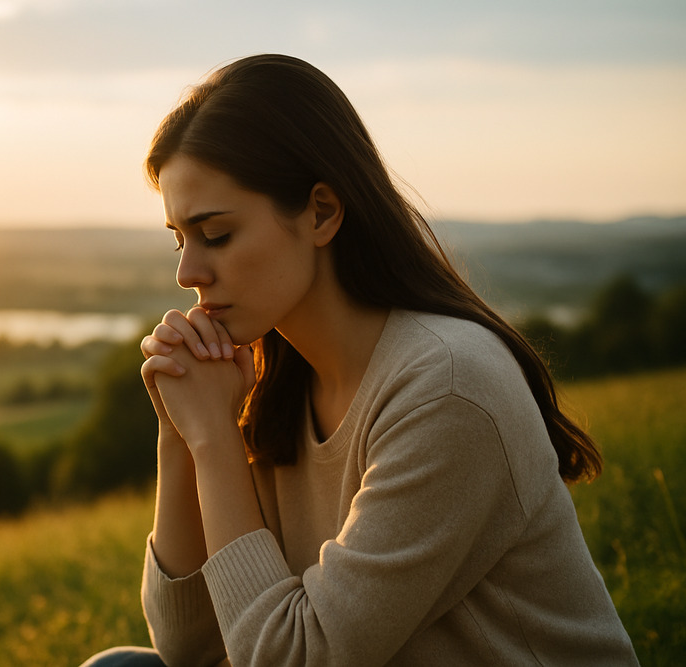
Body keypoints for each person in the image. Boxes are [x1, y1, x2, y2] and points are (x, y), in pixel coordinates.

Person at [81, 54, 638, 666]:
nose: (188, 272)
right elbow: (190, 646)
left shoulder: (448, 388)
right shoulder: (270, 381)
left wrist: (214, 436)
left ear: (321, 212)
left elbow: (292, 658)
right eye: (179, 240)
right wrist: (180, 430)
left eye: (216, 235)